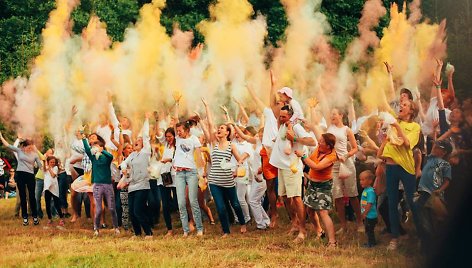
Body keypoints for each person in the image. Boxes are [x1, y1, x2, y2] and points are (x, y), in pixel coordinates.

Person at [378, 99, 421, 250]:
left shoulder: (414, 126)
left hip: (406, 168)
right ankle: (395, 238)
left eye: (405, 105)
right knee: (391, 203)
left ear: (411, 111)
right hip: (390, 168)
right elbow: (386, 106)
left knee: (412, 202)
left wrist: (396, 126)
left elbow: (408, 144)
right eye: (401, 105)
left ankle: (421, 236)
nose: (401, 107)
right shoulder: (393, 121)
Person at [269, 104, 316, 242]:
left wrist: (294, 139)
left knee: (296, 198)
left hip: (292, 167)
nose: (281, 118)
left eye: (284, 116)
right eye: (280, 116)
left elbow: (312, 141)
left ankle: (303, 230)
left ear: (290, 116)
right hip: (281, 167)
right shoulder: (284, 125)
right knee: (284, 197)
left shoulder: (296, 127)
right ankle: (294, 224)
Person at [202, 98, 247, 237]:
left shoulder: (231, 145)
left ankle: (243, 223)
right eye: (219, 128)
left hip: (228, 181)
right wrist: (207, 106)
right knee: (220, 208)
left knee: (235, 204)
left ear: (227, 133)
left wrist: (237, 166)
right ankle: (226, 231)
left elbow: (239, 160)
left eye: (221, 128)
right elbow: (210, 124)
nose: (218, 129)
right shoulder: (213, 143)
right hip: (214, 181)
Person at [295, 133, 338, 247]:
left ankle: (332, 242)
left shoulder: (332, 156)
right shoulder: (319, 149)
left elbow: (317, 167)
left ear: (328, 146)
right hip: (312, 184)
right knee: (309, 210)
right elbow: (312, 162)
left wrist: (303, 156)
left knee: (323, 212)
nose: (319, 142)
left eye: (322, 141)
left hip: (323, 186)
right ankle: (320, 232)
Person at [326, 107, 363, 234]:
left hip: (346, 164)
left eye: (334, 114)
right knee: (337, 196)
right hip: (333, 165)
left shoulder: (346, 130)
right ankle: (343, 225)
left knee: (352, 194)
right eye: (331, 114)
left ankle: (360, 222)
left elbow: (354, 148)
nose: (332, 116)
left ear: (341, 115)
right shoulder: (329, 128)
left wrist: (346, 156)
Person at [173, 99, 205, 237]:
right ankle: (186, 230)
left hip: (191, 173)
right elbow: (175, 120)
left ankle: (199, 228)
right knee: (180, 203)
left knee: (193, 201)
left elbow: (198, 157)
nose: (178, 133)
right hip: (179, 173)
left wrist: (201, 174)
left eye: (180, 131)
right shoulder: (178, 139)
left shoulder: (194, 140)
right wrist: (177, 104)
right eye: (177, 131)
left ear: (186, 130)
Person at [415, 140, 452, 252]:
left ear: (444, 152)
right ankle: (426, 241)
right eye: (435, 147)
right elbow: (434, 144)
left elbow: (447, 181)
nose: (435, 148)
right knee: (424, 216)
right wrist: (435, 133)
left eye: (438, 148)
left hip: (433, 194)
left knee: (425, 216)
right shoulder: (431, 158)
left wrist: (439, 190)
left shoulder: (445, 164)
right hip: (423, 191)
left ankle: (428, 243)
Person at [120, 113, 153, 239]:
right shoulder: (132, 155)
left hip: (142, 185)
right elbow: (123, 163)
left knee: (138, 210)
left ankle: (148, 233)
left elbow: (145, 136)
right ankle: (138, 233)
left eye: (139, 141)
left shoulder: (145, 152)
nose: (137, 142)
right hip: (132, 186)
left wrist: (146, 119)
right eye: (136, 141)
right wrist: (124, 169)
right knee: (132, 213)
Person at [82, 133, 119, 236]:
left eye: (97, 146)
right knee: (98, 209)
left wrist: (103, 151)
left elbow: (111, 156)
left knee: (111, 208)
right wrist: (84, 138)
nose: (95, 148)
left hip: (108, 185)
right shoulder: (93, 158)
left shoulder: (106, 157)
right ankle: (96, 229)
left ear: (101, 147)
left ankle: (116, 227)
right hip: (97, 185)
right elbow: (86, 148)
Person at [0, 132, 41, 226]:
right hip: (21, 175)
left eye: (31, 147)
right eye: (29, 147)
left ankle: (35, 217)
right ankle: (25, 218)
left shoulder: (34, 154)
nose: (30, 149)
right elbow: (8, 145)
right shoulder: (19, 151)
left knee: (32, 197)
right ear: (24, 146)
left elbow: (40, 165)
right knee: (22, 197)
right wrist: (1, 137)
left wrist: (43, 167)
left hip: (30, 176)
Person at [43, 156, 65, 227]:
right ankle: (49, 218)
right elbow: (43, 169)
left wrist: (49, 167)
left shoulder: (55, 168)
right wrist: (44, 163)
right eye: (51, 162)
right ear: (48, 162)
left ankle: (61, 218)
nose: (52, 163)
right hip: (47, 188)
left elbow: (53, 175)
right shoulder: (45, 168)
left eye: (53, 162)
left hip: (54, 188)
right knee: (47, 204)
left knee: (57, 204)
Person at [359, 170, 378, 248]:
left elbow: (369, 204)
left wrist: (365, 213)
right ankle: (370, 242)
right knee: (367, 229)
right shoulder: (365, 190)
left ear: (370, 181)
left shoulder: (370, 191)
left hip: (370, 216)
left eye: (363, 180)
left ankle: (372, 243)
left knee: (370, 230)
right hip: (367, 215)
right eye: (360, 180)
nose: (361, 182)